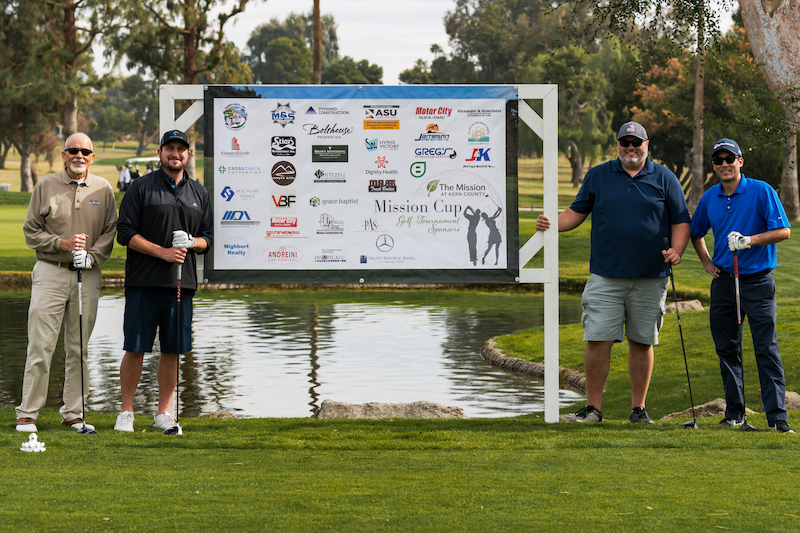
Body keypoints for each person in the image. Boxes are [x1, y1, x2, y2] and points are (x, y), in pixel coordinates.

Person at [535, 121, 690, 424]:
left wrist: (677, 250)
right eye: (625, 142)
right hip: (606, 275)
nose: (631, 148)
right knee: (598, 340)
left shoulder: (665, 177)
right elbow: (577, 212)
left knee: (642, 342)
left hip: (651, 275)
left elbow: (680, 220)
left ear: (647, 144)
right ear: (618, 144)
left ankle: (638, 409)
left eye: (636, 142)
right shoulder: (598, 175)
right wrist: (552, 224)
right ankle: (593, 409)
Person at [690, 138, 794, 433]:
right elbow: (696, 232)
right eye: (719, 160)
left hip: (758, 282)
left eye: (729, 159)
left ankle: (777, 418)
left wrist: (750, 240)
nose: (724, 164)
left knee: (766, 348)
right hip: (724, 282)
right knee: (727, 348)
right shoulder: (710, 197)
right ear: (714, 165)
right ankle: (734, 413)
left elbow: (783, 231)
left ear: (740, 161)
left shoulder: (761, 191)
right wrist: (707, 262)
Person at [15, 133, 117, 433]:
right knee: (40, 346)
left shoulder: (104, 188)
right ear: (64, 155)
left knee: (79, 348)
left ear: (92, 157)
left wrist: (92, 257)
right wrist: (62, 244)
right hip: (51, 271)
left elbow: (110, 231)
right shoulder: (45, 185)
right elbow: (31, 231)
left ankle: (74, 413)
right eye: (73, 150)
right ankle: (28, 413)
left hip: (88, 275)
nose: (79, 156)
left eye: (85, 151)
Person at [114, 130, 213, 434]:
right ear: (160, 153)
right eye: (169, 148)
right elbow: (125, 233)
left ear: (188, 155)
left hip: (181, 284)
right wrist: (162, 252)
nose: (175, 153)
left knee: (172, 349)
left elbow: (208, 239)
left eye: (181, 149)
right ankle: (126, 412)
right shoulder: (140, 187)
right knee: (135, 347)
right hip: (143, 281)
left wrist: (192, 242)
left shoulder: (199, 193)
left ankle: (164, 414)